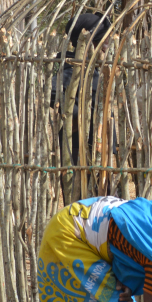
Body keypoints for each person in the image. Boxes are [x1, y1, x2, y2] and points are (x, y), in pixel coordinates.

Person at [51, 13, 112, 201]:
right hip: (77, 152)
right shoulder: (68, 73)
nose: (108, 47)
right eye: (105, 42)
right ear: (91, 44)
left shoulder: (99, 73)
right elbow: (57, 102)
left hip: (101, 153)